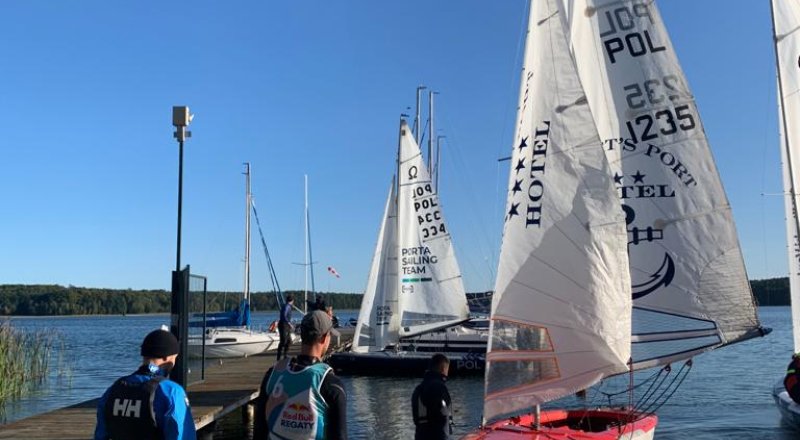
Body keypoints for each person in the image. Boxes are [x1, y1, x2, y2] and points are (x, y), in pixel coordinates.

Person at [254, 310, 347, 439]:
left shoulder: (273, 374)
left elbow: (259, 431)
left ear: (302, 335)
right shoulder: (331, 384)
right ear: (325, 338)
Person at [94, 328, 196, 440]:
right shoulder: (172, 391)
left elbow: (100, 434)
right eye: (174, 358)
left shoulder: (114, 389)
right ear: (166, 357)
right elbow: (182, 435)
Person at [412, 354, 453, 440]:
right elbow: (445, 414)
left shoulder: (418, 389)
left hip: (420, 436)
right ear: (443, 369)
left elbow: (416, 418)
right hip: (438, 436)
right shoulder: (440, 387)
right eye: (447, 370)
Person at [276, 295, 294, 360]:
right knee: (283, 341)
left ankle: (285, 355)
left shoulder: (287, 306)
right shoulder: (287, 306)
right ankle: (279, 356)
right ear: (292, 301)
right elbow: (284, 315)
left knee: (289, 341)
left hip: (285, 325)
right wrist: (289, 323)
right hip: (283, 324)